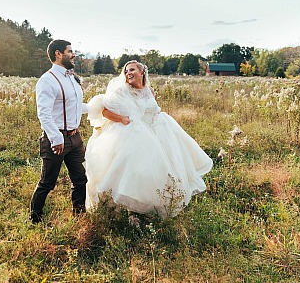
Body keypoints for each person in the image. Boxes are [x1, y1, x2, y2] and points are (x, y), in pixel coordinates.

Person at [84, 60, 213, 217]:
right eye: (125, 71)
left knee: (162, 169)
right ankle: (132, 209)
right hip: (137, 135)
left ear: (142, 72)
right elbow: (103, 110)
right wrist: (122, 119)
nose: (128, 73)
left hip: (159, 132)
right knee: (138, 171)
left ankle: (157, 205)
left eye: (131, 69)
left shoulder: (149, 90)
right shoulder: (123, 90)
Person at [30, 39, 88, 224]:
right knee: (47, 183)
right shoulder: (47, 80)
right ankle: (34, 220)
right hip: (56, 140)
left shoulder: (71, 77)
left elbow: (75, 106)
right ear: (58, 54)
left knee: (80, 180)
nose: (73, 54)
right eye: (70, 51)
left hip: (75, 137)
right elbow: (44, 113)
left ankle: (79, 217)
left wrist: (100, 106)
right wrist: (56, 138)